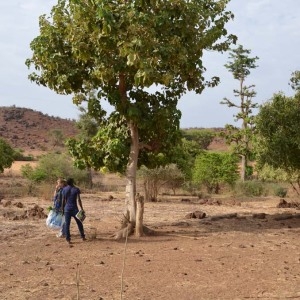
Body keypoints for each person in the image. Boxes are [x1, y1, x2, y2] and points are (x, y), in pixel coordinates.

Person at [62, 178, 86, 244]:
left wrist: (62, 209)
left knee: (67, 224)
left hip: (67, 209)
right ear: (73, 182)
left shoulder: (64, 189)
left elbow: (63, 200)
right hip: (75, 209)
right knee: (79, 223)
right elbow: (79, 200)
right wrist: (82, 208)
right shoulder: (76, 189)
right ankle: (82, 237)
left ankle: (68, 239)